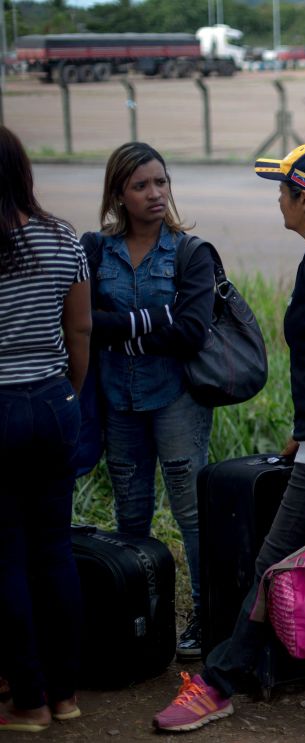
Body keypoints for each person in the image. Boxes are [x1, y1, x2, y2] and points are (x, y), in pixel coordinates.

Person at [153, 144, 305, 732]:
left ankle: (218, 683)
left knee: (273, 562)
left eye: (282, 188)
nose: (277, 198)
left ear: (304, 197)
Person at [87, 142, 217, 660]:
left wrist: (121, 330)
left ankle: (206, 619)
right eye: (140, 186)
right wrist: (150, 323)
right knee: (131, 515)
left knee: (191, 515)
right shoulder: (97, 250)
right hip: (120, 402)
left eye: (160, 182)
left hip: (177, 401)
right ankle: (139, 617)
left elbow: (190, 332)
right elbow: (86, 325)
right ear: (119, 194)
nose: (154, 194)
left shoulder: (189, 252)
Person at [0, 125, 90, 733]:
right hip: (56, 401)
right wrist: (69, 393)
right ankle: (64, 694)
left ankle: (27, 700)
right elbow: (80, 331)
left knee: (6, 557)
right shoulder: (62, 237)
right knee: (54, 551)